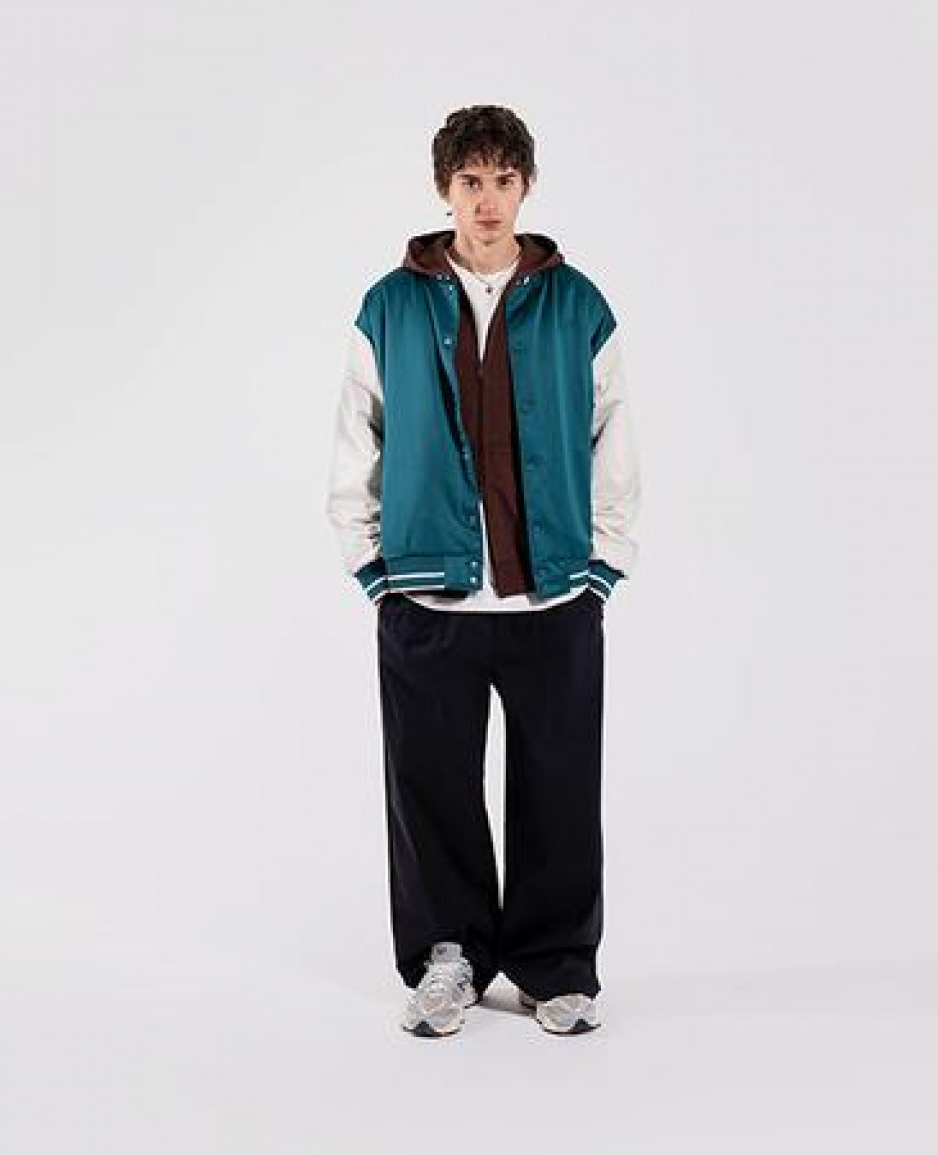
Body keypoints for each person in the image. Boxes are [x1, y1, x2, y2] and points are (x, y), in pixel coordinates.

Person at [325, 105, 641, 1037]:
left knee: (559, 785)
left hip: (553, 592)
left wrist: (603, 562)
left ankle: (555, 966)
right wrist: (370, 562)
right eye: (470, 181)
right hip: (427, 593)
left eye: (503, 180)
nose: (487, 199)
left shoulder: (576, 303)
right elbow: (358, 435)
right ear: (444, 189)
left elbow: (614, 432)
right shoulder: (390, 304)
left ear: (525, 186)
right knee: (430, 788)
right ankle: (446, 957)